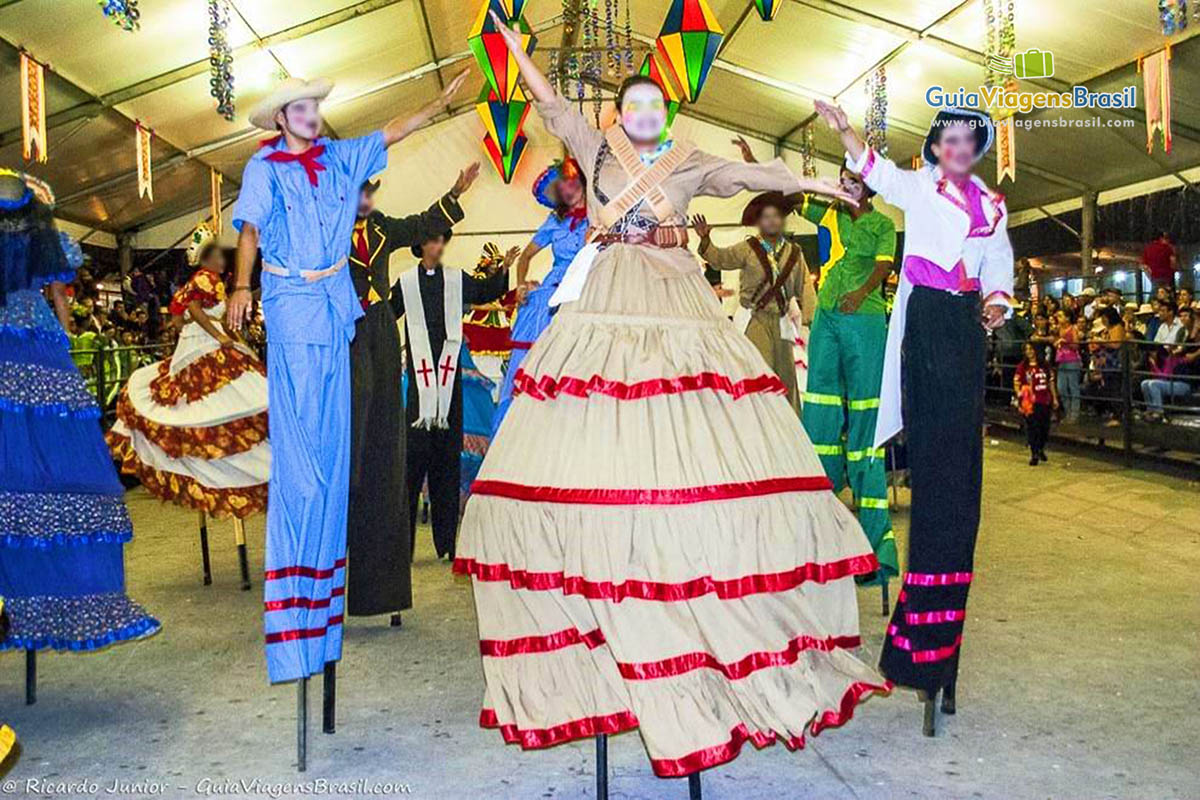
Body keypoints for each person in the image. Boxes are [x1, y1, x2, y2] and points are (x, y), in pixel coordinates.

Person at [455, 14, 887, 778]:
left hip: (678, 296)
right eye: (636, 105)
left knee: (699, 430)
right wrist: (516, 50)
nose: (647, 113)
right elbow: (551, 102)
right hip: (608, 293)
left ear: (669, 112)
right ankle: (604, 602)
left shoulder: (687, 160)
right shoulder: (595, 149)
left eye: (657, 104)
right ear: (619, 113)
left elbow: (750, 180)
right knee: (596, 432)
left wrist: (816, 181)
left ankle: (693, 598)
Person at [225, 71, 468, 685]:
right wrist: (240, 284)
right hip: (298, 310)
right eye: (299, 108)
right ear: (282, 118)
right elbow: (250, 230)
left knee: (353, 457)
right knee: (309, 463)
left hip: (352, 322)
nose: (310, 115)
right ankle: (299, 598)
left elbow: (391, 134)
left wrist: (437, 106)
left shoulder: (350, 175)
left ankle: (347, 592)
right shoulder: (267, 170)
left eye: (313, 106)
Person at [817, 100, 1013, 705]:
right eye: (948, 139)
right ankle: (924, 656)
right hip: (925, 324)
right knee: (934, 481)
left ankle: (939, 655)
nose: (957, 148)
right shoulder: (917, 188)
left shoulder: (993, 206)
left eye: (968, 141)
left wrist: (999, 301)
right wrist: (846, 129)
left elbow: (998, 261)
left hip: (963, 327)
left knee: (960, 485)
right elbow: (873, 170)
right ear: (933, 149)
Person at [0, 171, 159, 653]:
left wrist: (64, 338)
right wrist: (64, 340)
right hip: (39, 341)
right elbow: (59, 296)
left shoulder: (45, 236)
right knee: (48, 450)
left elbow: (61, 296)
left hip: (31, 341)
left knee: (35, 453)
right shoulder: (47, 236)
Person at [343, 167, 477, 623]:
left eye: (371, 191)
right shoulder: (327, 226)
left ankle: (382, 581)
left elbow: (421, 223)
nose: (367, 199)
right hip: (342, 328)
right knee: (351, 447)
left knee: (383, 450)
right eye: (361, 192)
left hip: (378, 328)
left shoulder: (381, 227)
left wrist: (455, 191)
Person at [782, 156, 900, 583]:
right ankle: (818, 538)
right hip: (829, 319)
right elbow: (794, 198)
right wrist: (761, 166)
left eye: (853, 181)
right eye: (844, 180)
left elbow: (885, 267)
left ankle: (874, 550)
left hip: (866, 319)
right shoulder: (829, 212)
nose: (846, 185)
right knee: (821, 411)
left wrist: (860, 292)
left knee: (865, 423)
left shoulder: (883, 225)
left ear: (868, 188)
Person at [107, 224, 269, 519]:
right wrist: (217, 335)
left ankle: (225, 465)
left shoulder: (214, 282)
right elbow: (191, 311)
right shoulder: (204, 279)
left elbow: (185, 315)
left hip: (209, 342)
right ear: (205, 259)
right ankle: (221, 465)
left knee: (224, 404)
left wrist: (228, 335)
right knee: (215, 402)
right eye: (216, 255)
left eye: (221, 255)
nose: (221, 260)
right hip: (204, 348)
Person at [392, 230, 511, 562]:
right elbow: (387, 313)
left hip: (449, 387)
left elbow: (487, 289)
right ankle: (403, 546)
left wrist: (502, 271)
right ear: (420, 246)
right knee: (412, 466)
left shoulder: (456, 278)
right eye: (431, 240)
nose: (437, 246)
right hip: (418, 390)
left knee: (447, 464)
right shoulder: (405, 283)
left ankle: (447, 543)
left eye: (441, 240)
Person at [491, 158, 589, 434]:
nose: (568, 190)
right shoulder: (554, 221)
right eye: (561, 188)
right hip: (555, 288)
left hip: (586, 286)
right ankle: (516, 433)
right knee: (534, 318)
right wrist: (521, 285)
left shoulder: (599, 215)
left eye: (570, 182)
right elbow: (526, 256)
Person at [693, 191, 814, 413]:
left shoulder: (794, 253)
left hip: (782, 320)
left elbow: (804, 286)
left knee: (786, 377)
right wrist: (705, 240)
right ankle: (759, 423)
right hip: (755, 320)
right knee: (760, 373)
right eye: (766, 216)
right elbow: (720, 258)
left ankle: (790, 426)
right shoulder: (748, 248)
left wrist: (807, 320)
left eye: (776, 216)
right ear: (759, 222)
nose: (771, 221)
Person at [1014, 343, 1058, 465]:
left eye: (1031, 349)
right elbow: (1017, 383)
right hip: (1030, 402)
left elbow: (1051, 383)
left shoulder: (1045, 366)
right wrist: (1020, 396)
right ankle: (1034, 453)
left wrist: (1054, 398)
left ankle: (1041, 448)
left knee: (1044, 427)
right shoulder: (1022, 367)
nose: (1029, 352)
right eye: (1026, 349)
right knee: (1032, 428)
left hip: (1044, 400)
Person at [1054, 310, 1083, 424]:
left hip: (1072, 360)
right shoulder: (1058, 329)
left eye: (1061, 316)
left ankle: (1074, 414)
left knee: (1073, 387)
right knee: (1061, 388)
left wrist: (1065, 342)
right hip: (1061, 360)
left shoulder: (1073, 329)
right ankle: (1068, 412)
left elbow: (1076, 345)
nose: (1058, 318)